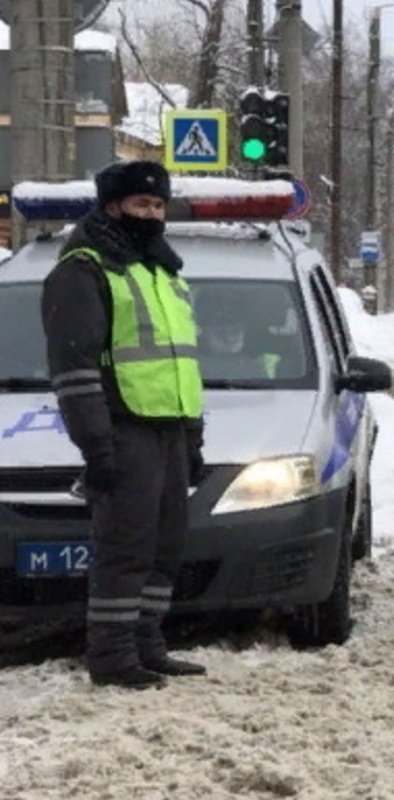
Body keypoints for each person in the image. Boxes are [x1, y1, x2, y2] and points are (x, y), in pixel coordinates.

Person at [40, 161, 207, 689]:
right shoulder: (84, 268)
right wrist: (97, 448)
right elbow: (75, 367)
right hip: (123, 427)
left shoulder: (161, 270)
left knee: (165, 545)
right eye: (141, 205)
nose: (152, 214)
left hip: (169, 428)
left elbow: (182, 362)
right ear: (112, 206)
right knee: (125, 548)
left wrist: (193, 439)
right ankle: (111, 656)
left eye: (158, 206)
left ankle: (147, 644)